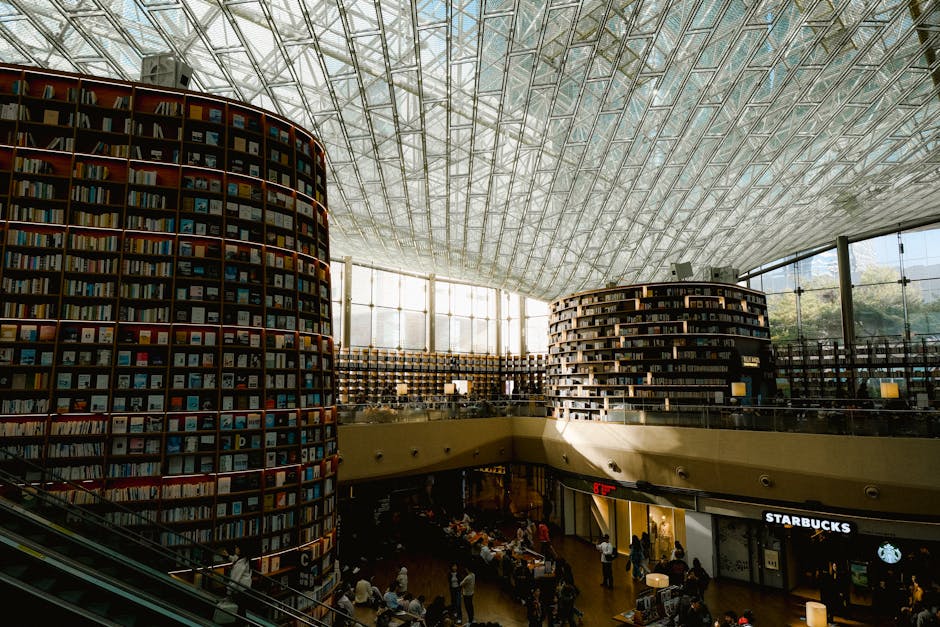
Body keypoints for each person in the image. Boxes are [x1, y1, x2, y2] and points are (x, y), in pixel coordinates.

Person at [221, 543, 253, 624]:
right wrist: (228, 556)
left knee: (239, 612)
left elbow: (234, 580)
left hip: (240, 591)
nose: (235, 549)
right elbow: (235, 559)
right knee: (241, 611)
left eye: (237, 547)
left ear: (241, 550)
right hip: (245, 589)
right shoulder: (244, 559)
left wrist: (228, 593)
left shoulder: (240, 565)